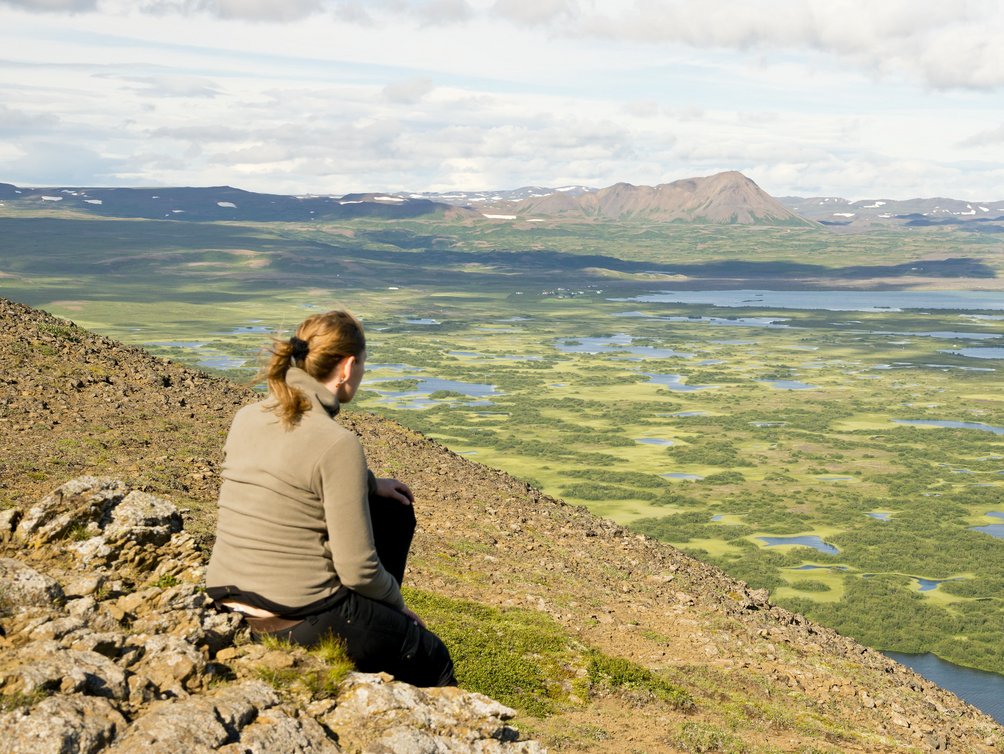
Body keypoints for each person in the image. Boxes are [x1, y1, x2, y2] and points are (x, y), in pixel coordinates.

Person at [206, 310, 455, 687]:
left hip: (225, 597)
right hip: (296, 616)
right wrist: (398, 607)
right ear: (348, 367)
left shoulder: (248, 416)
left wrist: (370, 484)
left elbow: (289, 466)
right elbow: (358, 568)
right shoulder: (337, 443)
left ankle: (370, 632)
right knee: (433, 659)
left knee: (391, 509)